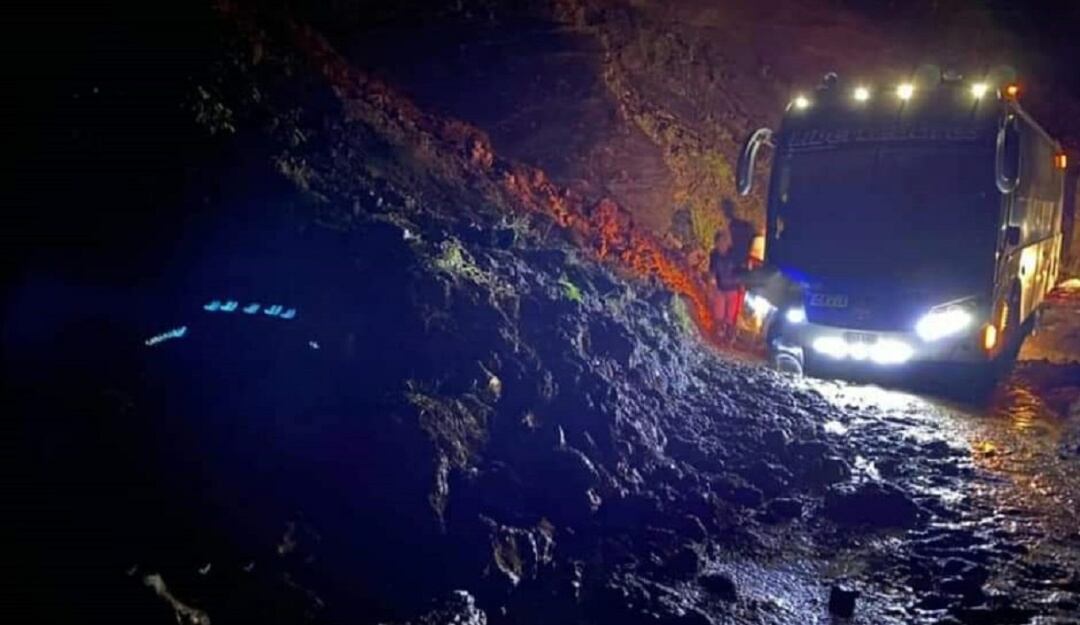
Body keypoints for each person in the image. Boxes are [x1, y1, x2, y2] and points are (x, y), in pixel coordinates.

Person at [709, 230, 743, 344]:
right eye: (719, 242)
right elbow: (712, 272)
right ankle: (719, 335)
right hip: (720, 289)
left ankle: (729, 338)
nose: (722, 245)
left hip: (733, 289)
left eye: (724, 241)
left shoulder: (734, 255)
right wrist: (712, 286)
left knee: (730, 316)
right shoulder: (714, 255)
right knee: (719, 314)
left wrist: (741, 286)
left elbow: (740, 271)